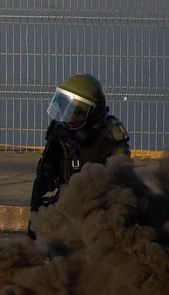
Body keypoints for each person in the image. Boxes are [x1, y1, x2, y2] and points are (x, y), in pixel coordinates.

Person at [30, 73, 130, 237]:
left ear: (92, 114)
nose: (69, 117)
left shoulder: (110, 138)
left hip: (98, 211)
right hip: (65, 203)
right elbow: (44, 176)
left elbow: (121, 187)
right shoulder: (60, 131)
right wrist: (34, 219)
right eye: (66, 108)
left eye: (76, 112)